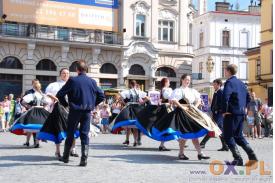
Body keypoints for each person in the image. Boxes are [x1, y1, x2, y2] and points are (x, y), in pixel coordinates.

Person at [57, 60, 105, 166]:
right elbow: (101, 96)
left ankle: (65, 157)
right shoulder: (92, 81)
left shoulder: (73, 80)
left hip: (75, 110)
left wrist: (66, 104)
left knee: (70, 133)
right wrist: (92, 104)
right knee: (84, 134)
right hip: (87, 111)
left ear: (77, 69)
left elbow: (60, 94)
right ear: (86, 69)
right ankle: (84, 159)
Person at [37, 68, 79, 158]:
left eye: (67, 73)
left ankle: (73, 149)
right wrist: (56, 98)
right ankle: (57, 151)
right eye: (63, 73)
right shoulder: (54, 84)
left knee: (73, 128)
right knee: (58, 129)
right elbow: (47, 93)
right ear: (60, 75)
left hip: (70, 108)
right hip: (58, 109)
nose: (65, 75)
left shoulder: (74, 84)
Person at [222, 64, 258, 166]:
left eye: (225, 70)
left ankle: (238, 159)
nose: (225, 72)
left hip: (231, 113)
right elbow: (248, 97)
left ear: (228, 71)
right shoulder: (241, 83)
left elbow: (225, 97)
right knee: (238, 136)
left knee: (228, 136)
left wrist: (224, 111)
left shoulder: (229, 82)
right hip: (241, 113)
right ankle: (252, 156)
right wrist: (244, 107)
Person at [10, 81, 51, 148]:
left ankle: (29, 142)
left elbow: (23, 102)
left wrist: (29, 107)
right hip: (41, 111)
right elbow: (48, 102)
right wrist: (43, 107)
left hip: (33, 111)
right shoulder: (43, 95)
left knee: (30, 127)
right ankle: (36, 142)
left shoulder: (31, 95)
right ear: (40, 87)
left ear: (34, 87)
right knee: (38, 127)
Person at [111, 80, 147, 147]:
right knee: (135, 126)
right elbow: (147, 98)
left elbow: (119, 97)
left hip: (130, 109)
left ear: (130, 85)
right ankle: (135, 141)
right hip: (137, 109)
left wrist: (125, 103)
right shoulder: (139, 92)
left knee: (128, 125)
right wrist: (141, 103)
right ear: (135, 84)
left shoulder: (127, 92)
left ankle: (128, 140)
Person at [200, 79, 229, 151]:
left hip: (219, 113)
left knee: (213, 128)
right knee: (219, 130)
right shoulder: (216, 92)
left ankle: (203, 143)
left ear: (219, 84)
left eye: (215, 84)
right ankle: (225, 146)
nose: (213, 85)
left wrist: (220, 111)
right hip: (215, 113)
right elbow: (214, 103)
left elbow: (223, 103)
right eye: (213, 84)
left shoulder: (221, 92)